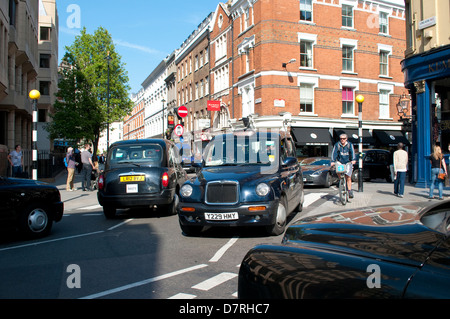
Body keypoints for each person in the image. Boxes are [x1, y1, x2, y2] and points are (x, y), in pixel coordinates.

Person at [331, 134, 356, 198]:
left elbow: (352, 152)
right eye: (341, 138)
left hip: (348, 162)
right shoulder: (337, 145)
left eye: (344, 138)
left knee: (348, 176)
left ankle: (349, 190)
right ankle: (341, 181)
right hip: (340, 162)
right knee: (338, 172)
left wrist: (353, 160)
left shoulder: (349, 145)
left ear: (346, 139)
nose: (342, 140)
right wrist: (332, 161)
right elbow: (334, 153)